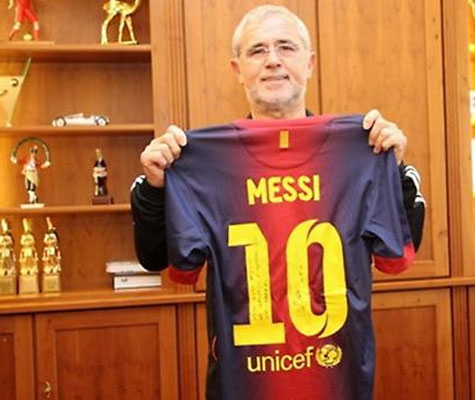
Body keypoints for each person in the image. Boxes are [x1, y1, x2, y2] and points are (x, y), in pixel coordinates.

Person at [131, 5, 425, 399]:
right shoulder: (203, 163)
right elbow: (159, 260)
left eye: (286, 47)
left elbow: (400, 254)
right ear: (237, 69)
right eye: (257, 50)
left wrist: (394, 171)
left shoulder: (360, 151)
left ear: (310, 63)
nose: (272, 60)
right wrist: (155, 189)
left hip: (336, 380)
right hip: (244, 384)